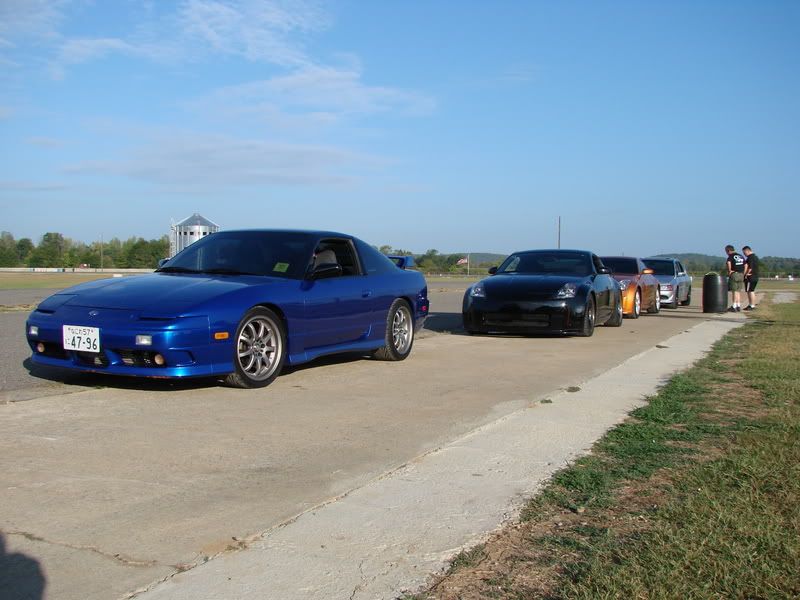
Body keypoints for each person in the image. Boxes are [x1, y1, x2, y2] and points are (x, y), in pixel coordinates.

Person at [724, 244, 745, 312]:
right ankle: (738, 305)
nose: (726, 253)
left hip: (734, 274)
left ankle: (734, 306)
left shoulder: (731, 256)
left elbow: (729, 263)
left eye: (726, 252)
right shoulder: (741, 256)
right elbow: (745, 264)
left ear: (729, 250)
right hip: (741, 274)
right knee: (738, 291)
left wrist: (729, 271)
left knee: (734, 291)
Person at [742, 245, 759, 310]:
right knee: (751, 291)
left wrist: (746, 274)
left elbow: (750, 268)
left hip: (751, 277)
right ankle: (751, 304)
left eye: (744, 253)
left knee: (750, 291)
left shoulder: (750, 257)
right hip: (755, 276)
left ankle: (751, 305)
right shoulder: (755, 257)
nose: (744, 254)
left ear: (747, 251)